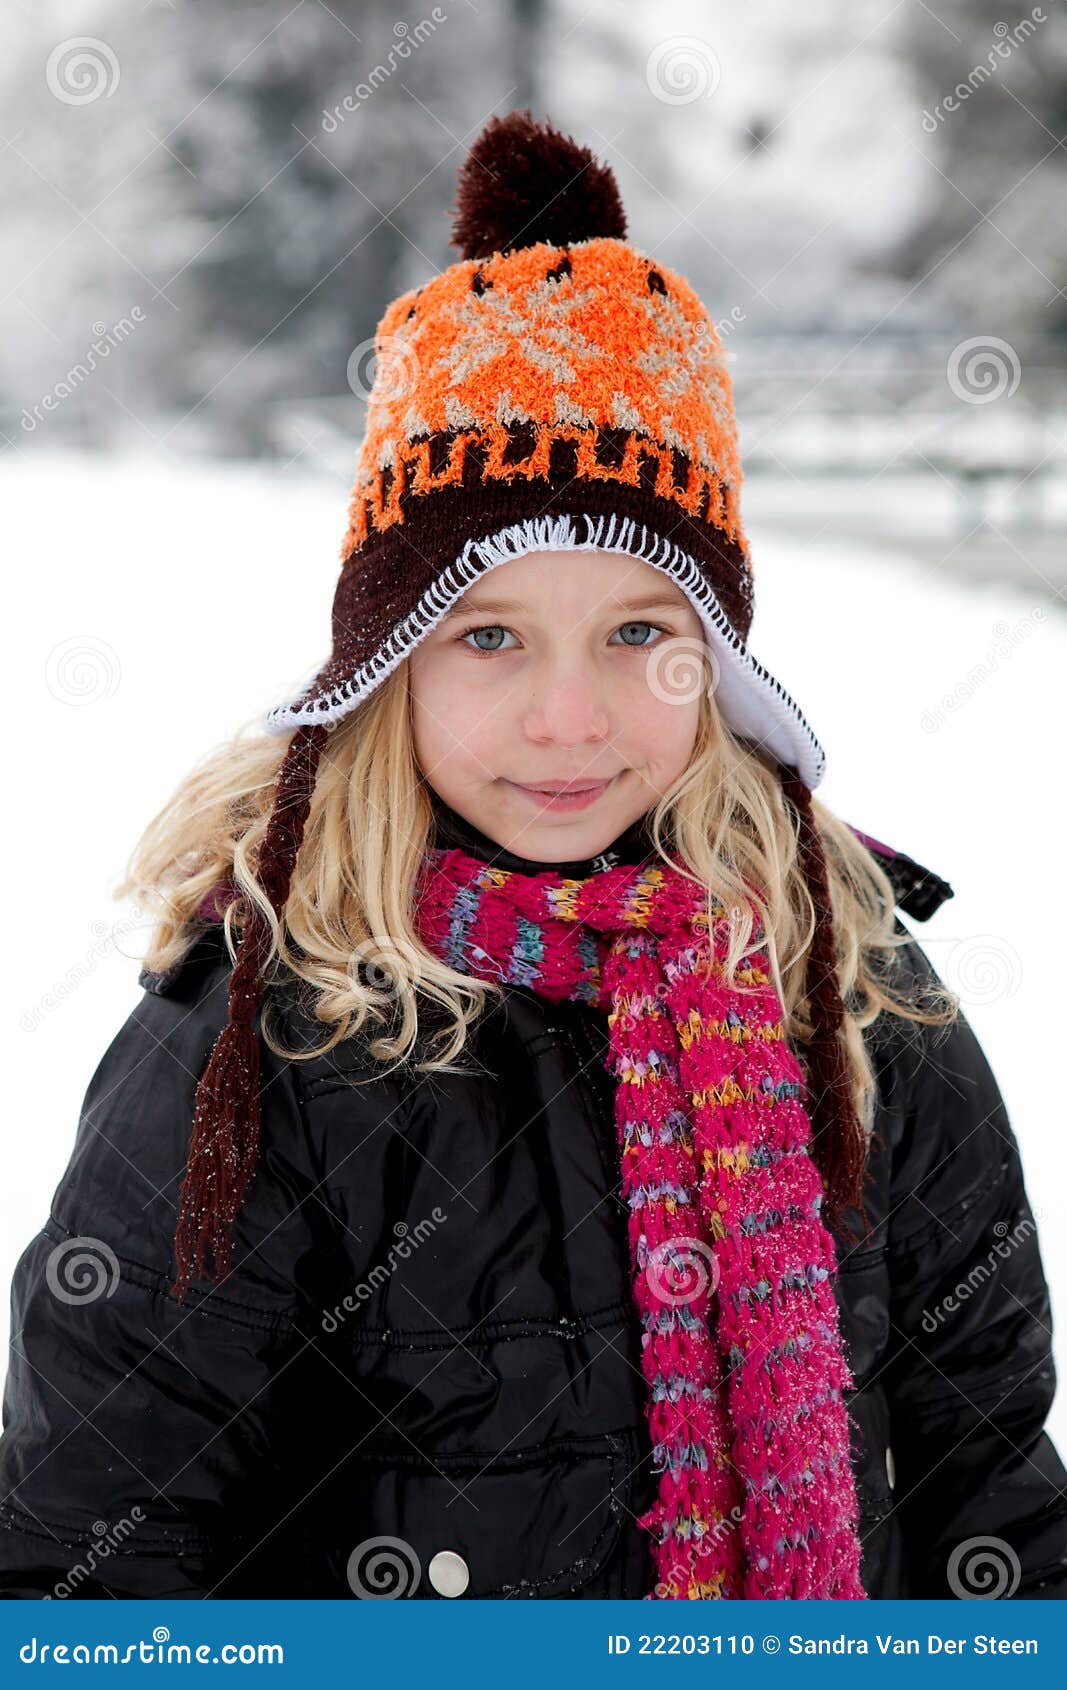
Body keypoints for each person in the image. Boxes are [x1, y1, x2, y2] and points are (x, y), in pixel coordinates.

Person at [1, 110, 1064, 1603]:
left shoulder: (853, 984)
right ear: (388, 666)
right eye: (489, 636)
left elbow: (993, 1497)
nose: (569, 719)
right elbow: (94, 1554)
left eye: (641, 634)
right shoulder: (266, 1032)